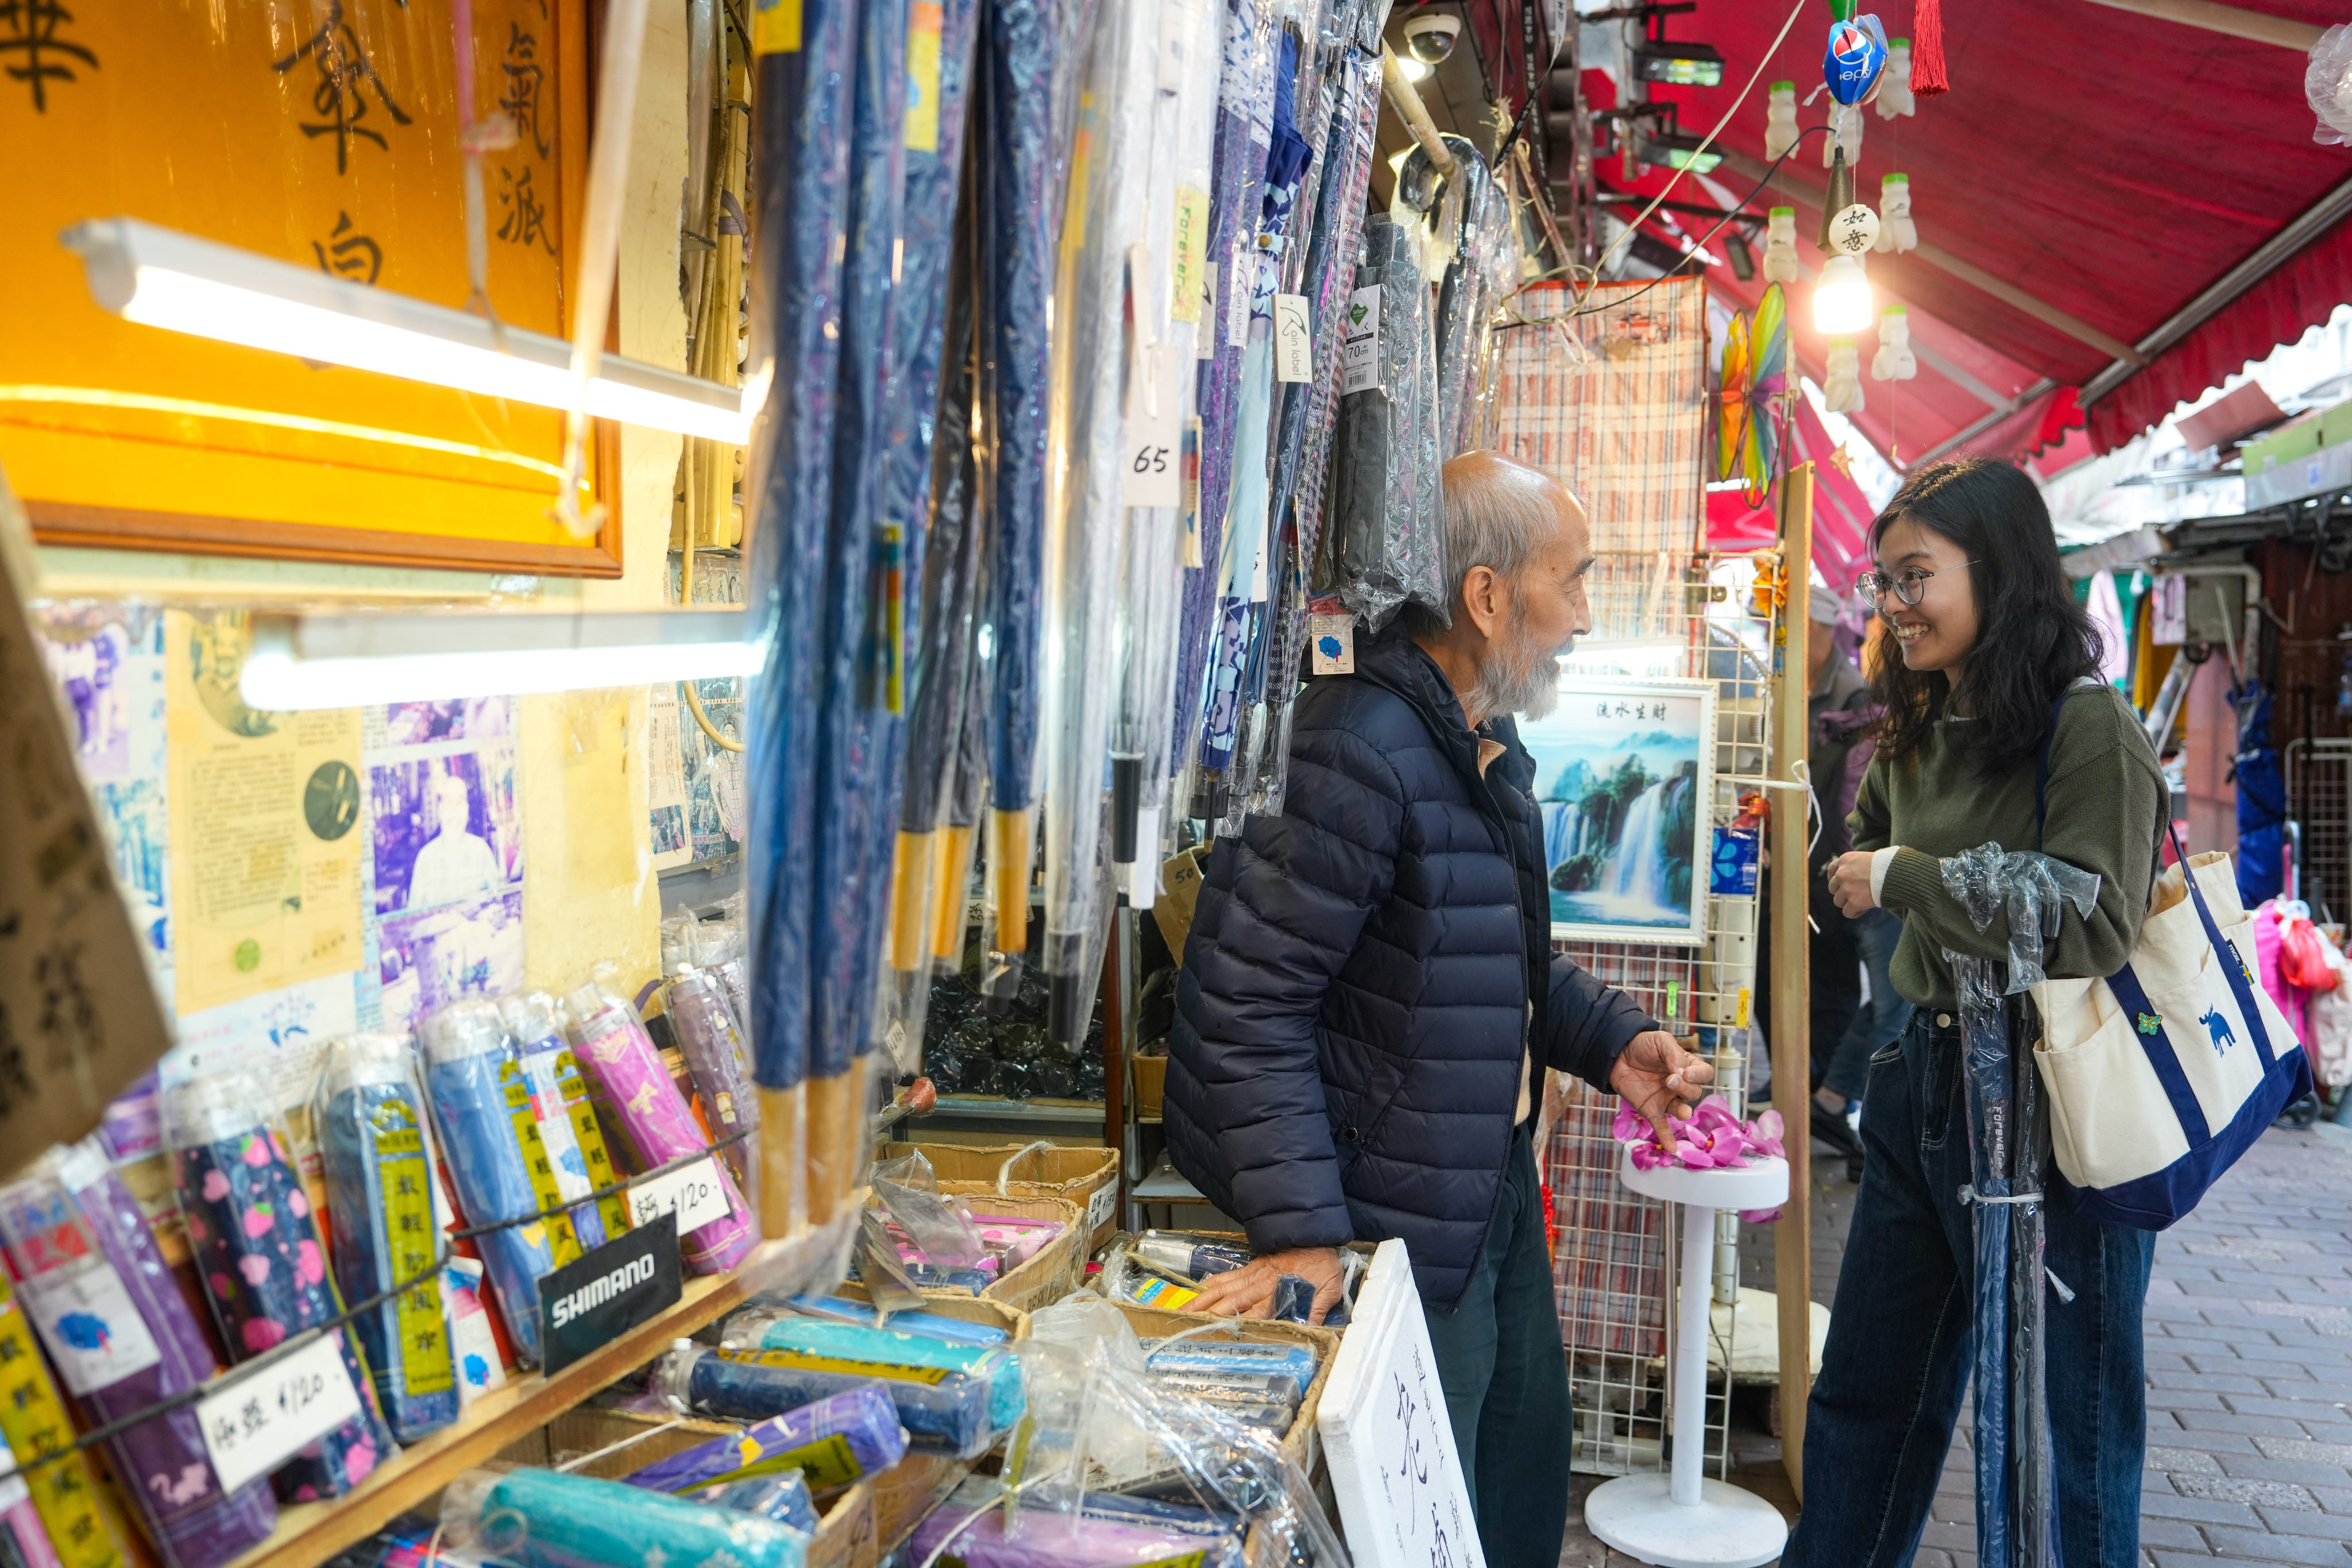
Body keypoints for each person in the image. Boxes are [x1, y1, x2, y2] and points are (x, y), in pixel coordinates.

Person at [1163, 449, 1712, 1567]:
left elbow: (1479, 957)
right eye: (1576, 580)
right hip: (1388, 1222)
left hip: (1482, 1191)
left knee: (1512, 1471)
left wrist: (1611, 1042)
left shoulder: (1474, 745)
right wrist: (1307, 1237)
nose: (1585, 617)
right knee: (1421, 1517)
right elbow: (1240, 1005)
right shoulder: (1352, 746)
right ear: (1486, 594)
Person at [1791, 458, 2164, 1568]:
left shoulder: (2088, 725)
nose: (1893, 605)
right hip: (1918, 1081)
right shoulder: (1927, 713)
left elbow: (2092, 922)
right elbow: (1867, 831)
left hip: (2052, 1108)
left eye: (1917, 577)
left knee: (2074, 1423)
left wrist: (1906, 877)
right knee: (1870, 1392)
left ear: (1998, 570)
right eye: (1883, 581)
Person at [1803, 584, 1872, 1167]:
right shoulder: (1808, 689)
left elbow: (1852, 802)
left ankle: (1830, 1096)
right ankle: (1821, 1092)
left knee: (1871, 998)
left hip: (1848, 872)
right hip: (1824, 865)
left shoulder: (1855, 696)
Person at [407, 774, 504, 910]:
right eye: (448, 804)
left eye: (459, 803)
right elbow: (414, 919)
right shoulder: (425, 859)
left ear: (467, 809)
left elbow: (498, 904)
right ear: (440, 810)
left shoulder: (482, 852)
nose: (454, 812)